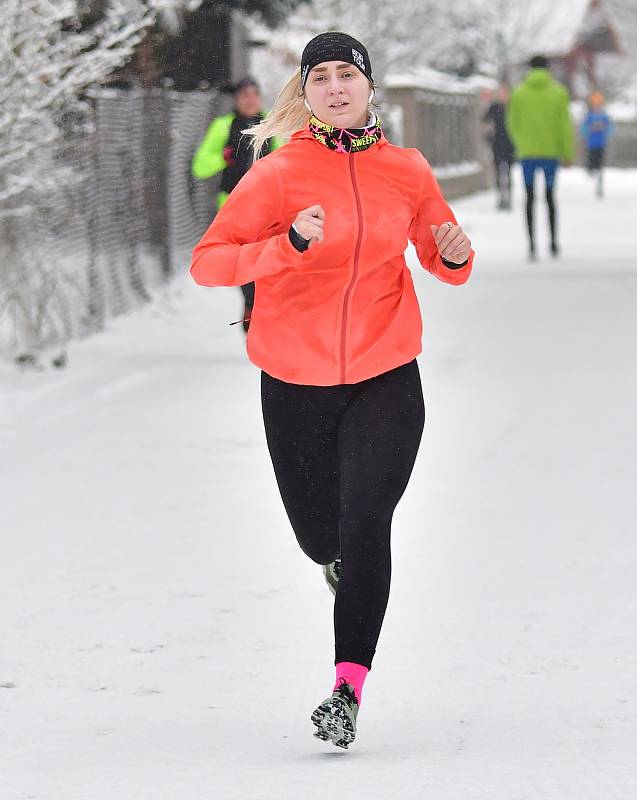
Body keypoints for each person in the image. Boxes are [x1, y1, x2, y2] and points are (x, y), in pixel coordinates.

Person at [189, 32, 474, 750]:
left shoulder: (405, 170)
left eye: (349, 74)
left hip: (385, 372)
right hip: (293, 379)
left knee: (364, 521)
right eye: (321, 77)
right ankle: (335, 562)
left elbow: (441, 252)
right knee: (320, 536)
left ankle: (347, 688)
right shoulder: (279, 173)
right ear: (306, 93)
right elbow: (208, 263)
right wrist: (285, 248)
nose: (336, 87)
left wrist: (453, 254)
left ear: (369, 87)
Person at [191, 78, 279, 332]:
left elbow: (289, 160)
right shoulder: (223, 127)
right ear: (237, 99)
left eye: (254, 93)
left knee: (266, 259)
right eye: (244, 94)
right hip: (232, 207)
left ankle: (260, 307)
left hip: (268, 208)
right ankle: (251, 303)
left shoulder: (273, 125)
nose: (249, 99)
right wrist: (223, 156)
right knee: (242, 262)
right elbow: (199, 167)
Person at [507, 55, 575, 260]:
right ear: (548, 68)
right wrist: (567, 152)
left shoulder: (519, 93)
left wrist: (521, 144)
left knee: (529, 198)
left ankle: (531, 244)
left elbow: (512, 123)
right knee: (550, 197)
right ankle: (553, 242)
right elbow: (564, 124)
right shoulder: (558, 93)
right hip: (551, 154)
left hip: (527, 154)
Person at [482, 83, 515, 210]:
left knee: (509, 173)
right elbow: (484, 119)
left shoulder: (512, 107)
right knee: (498, 173)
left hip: (510, 145)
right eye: (501, 93)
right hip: (497, 144)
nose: (503, 96)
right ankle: (500, 199)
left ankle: (509, 199)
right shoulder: (494, 107)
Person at [580, 91, 614, 198]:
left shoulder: (604, 117)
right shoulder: (589, 117)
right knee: (591, 163)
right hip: (591, 145)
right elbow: (583, 129)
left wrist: (603, 130)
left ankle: (599, 185)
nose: (597, 107)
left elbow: (610, 129)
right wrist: (590, 130)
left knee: (599, 166)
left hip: (601, 145)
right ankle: (590, 171)